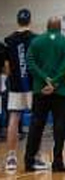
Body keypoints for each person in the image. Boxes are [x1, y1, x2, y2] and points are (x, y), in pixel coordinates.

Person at [24, 17, 65, 172]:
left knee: (36, 125)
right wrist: (55, 82)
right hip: (61, 91)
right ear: (60, 27)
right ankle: (57, 162)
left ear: (47, 26)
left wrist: (45, 79)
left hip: (40, 90)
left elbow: (30, 63)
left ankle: (29, 160)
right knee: (59, 126)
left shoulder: (37, 41)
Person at [4, 9, 37, 171]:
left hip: (16, 86)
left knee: (14, 118)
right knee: (35, 120)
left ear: (17, 21)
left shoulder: (9, 40)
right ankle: (34, 157)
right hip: (32, 85)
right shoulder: (36, 39)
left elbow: (7, 68)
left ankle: (11, 157)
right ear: (30, 21)